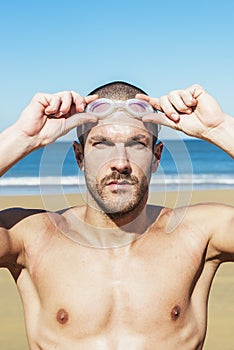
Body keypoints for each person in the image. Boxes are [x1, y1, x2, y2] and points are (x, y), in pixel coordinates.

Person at [0, 81, 233, 350]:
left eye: (137, 143)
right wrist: (23, 137)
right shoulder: (32, 238)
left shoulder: (199, 234)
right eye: (101, 143)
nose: (120, 162)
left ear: (156, 156)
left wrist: (219, 128)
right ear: (79, 156)